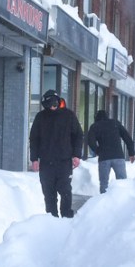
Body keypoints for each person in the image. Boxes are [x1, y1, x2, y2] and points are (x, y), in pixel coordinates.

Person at [29, 90, 83, 218]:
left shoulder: (69, 116)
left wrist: (76, 155)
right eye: (49, 106)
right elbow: (34, 138)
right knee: (49, 193)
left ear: (58, 102)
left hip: (64, 162)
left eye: (54, 105)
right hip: (46, 162)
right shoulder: (41, 117)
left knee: (65, 191)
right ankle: (51, 219)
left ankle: (66, 218)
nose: (52, 108)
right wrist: (34, 159)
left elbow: (78, 136)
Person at [87, 110, 135, 194]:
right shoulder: (115, 123)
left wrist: (98, 151)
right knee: (122, 181)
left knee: (104, 183)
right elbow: (127, 137)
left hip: (104, 158)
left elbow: (90, 141)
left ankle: (104, 202)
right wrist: (131, 153)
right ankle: (122, 199)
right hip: (118, 156)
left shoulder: (95, 126)